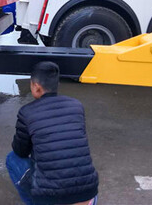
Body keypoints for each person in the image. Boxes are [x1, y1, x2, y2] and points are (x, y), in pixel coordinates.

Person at [6, 61, 98, 205]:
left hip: (51, 199)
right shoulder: (76, 106)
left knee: (12, 159)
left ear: (36, 87)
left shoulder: (27, 112)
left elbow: (20, 151)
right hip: (88, 195)